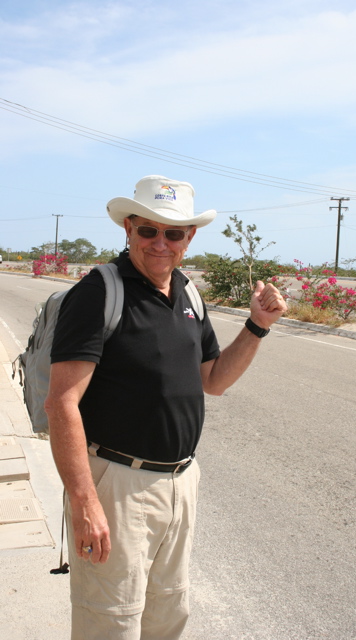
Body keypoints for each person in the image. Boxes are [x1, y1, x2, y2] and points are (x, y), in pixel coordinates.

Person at [45, 175, 287, 640]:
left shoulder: (188, 292)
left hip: (179, 483)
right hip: (115, 486)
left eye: (173, 233)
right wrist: (84, 501)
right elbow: (61, 403)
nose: (160, 243)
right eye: (148, 230)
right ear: (129, 229)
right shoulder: (100, 292)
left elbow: (212, 381)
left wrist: (256, 326)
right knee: (109, 624)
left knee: (167, 616)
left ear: (189, 238)